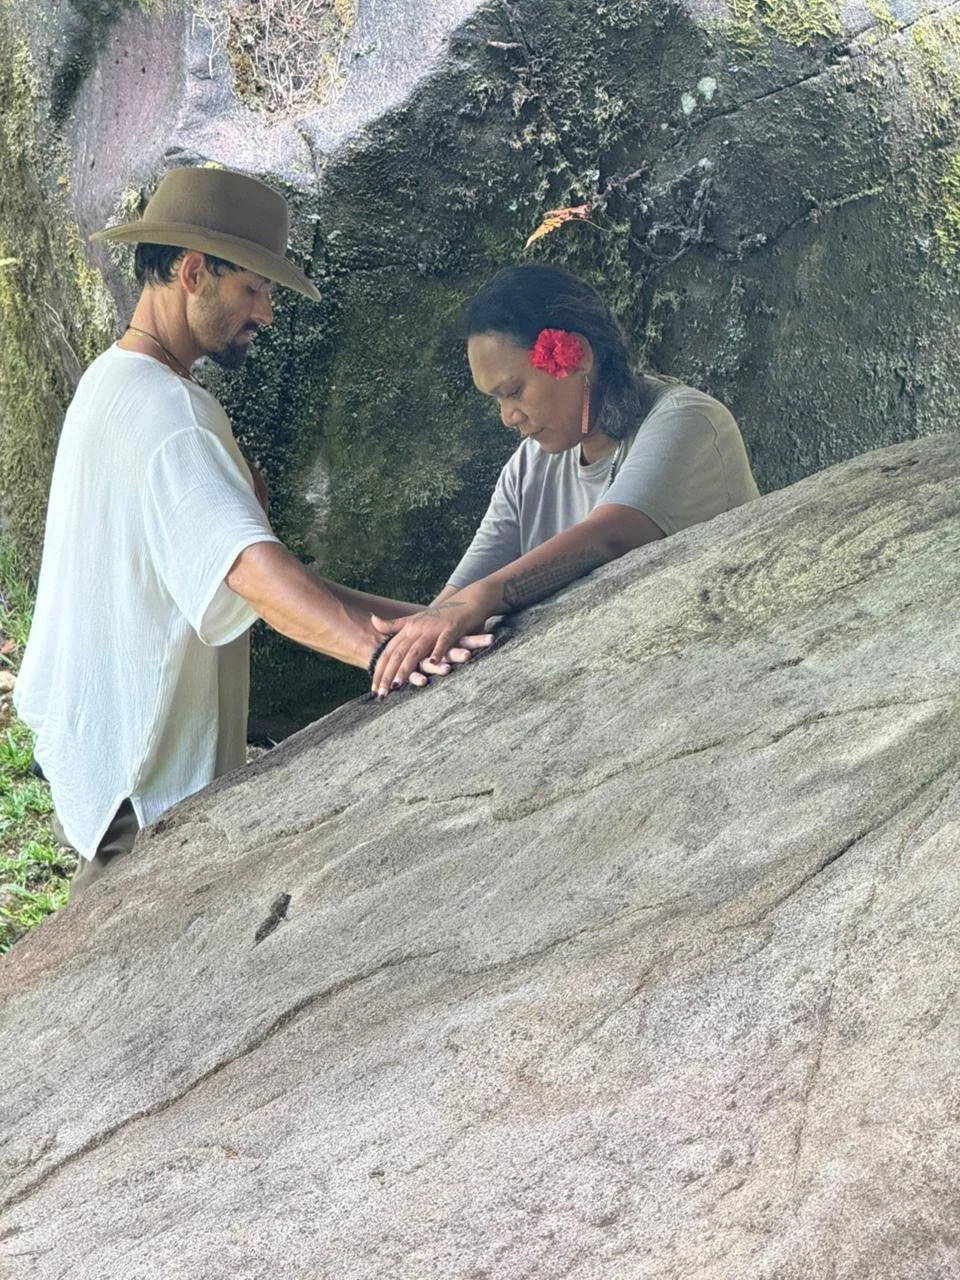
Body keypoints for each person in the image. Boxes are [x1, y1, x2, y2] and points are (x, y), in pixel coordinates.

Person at [14, 166, 488, 886]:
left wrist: (415, 620)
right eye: (253, 289)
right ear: (194, 272)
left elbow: (247, 569)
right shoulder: (172, 419)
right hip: (143, 787)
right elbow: (248, 571)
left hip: (101, 749)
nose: (266, 312)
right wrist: (378, 655)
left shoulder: (113, 381)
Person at [369, 264, 759, 695]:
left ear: (576, 355)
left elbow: (612, 536)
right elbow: (455, 601)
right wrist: (424, 633)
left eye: (514, 391)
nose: (507, 417)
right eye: (496, 400)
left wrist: (480, 600)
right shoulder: (527, 468)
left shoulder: (688, 421)